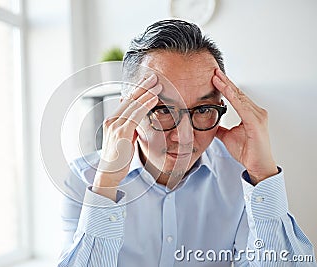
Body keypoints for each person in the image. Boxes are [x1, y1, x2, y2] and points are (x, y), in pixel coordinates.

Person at [57, 19, 316, 266]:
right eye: (163, 110)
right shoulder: (86, 179)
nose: (185, 136)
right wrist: (106, 186)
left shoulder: (241, 178)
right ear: (127, 108)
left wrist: (263, 176)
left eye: (203, 110)